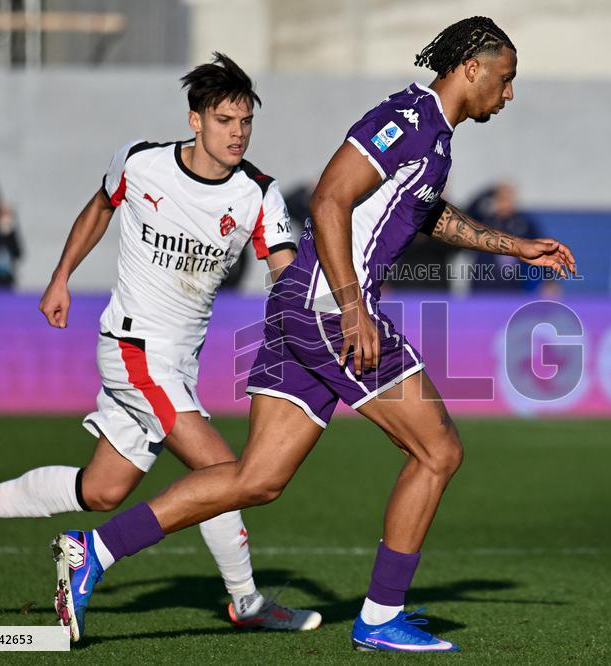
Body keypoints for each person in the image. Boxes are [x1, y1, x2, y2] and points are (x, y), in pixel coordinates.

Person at [48, 17, 575, 652]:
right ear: (471, 69)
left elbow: (424, 210)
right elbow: (328, 198)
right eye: (506, 78)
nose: (509, 92)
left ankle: (93, 551)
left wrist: (514, 246)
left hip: (306, 306)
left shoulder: (435, 139)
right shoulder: (408, 117)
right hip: (330, 308)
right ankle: (380, 616)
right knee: (438, 451)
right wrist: (353, 308)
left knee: (257, 479)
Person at [0, 53, 320, 640]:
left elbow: (282, 268)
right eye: (225, 119)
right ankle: (245, 600)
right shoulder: (142, 162)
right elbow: (101, 207)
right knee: (227, 473)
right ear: (195, 120)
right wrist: (60, 276)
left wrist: (311, 302)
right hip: (133, 347)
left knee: (100, 489)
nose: (237, 132)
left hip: (177, 363)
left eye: (245, 121)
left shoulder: (257, 194)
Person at [467, 181, 556, 294]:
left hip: (514, 286)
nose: (505, 203)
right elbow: (467, 214)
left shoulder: (524, 223)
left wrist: (549, 280)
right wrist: (489, 191)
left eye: (508, 198)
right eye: (501, 198)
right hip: (484, 285)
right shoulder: (484, 221)